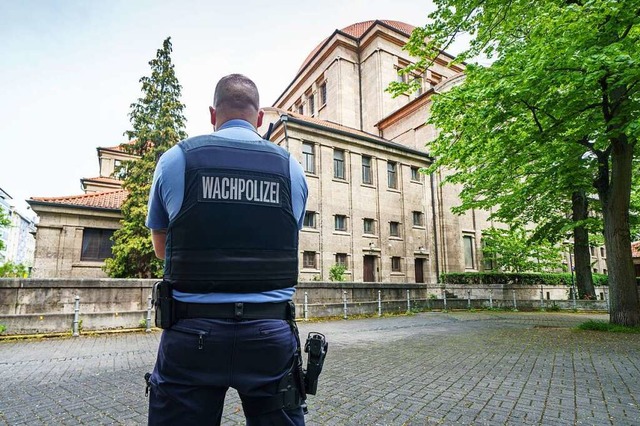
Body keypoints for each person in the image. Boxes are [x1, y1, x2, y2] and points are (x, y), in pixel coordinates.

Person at [145, 74, 308, 425]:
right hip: (270, 333)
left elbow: (163, 250)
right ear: (260, 117)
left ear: (212, 114)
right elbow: (285, 238)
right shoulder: (291, 168)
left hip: (191, 334)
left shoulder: (176, 160)